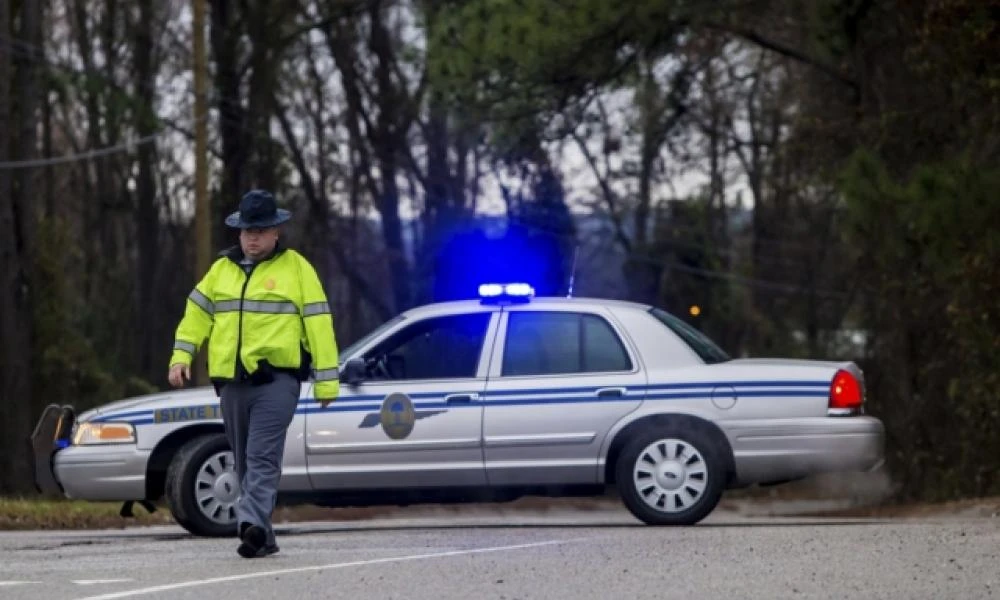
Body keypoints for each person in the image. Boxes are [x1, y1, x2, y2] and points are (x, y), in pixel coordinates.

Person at [167, 189, 339, 558]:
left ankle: (249, 524)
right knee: (244, 460)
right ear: (238, 232)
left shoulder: (296, 268)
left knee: (261, 455)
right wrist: (181, 356)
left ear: (276, 231)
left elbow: (319, 325)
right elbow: (196, 316)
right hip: (232, 385)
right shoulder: (220, 270)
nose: (253, 237)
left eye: (260, 230)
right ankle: (264, 537)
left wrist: (327, 381)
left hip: (277, 382)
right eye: (247, 231)